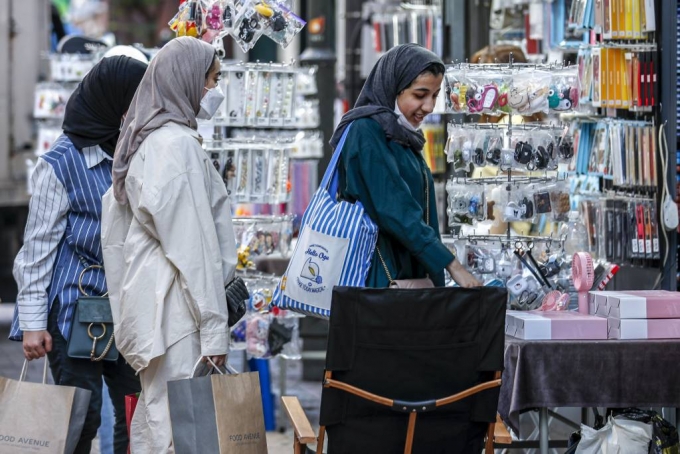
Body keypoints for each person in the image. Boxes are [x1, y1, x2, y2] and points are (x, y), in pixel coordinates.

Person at [101, 36, 237, 453]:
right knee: (179, 431)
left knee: (161, 420)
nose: (212, 91)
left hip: (158, 309)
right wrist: (214, 330)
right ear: (185, 80)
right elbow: (193, 247)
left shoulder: (148, 139)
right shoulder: (174, 146)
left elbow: (115, 241)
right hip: (180, 313)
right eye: (209, 80)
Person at [10, 55, 147, 454]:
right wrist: (34, 324)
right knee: (79, 418)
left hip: (128, 309)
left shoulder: (137, 151)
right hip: (73, 312)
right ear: (111, 100)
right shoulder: (61, 163)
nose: (137, 111)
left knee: (136, 414)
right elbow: (36, 250)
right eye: (132, 101)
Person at [330, 43, 481, 289]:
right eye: (420, 95)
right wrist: (451, 264)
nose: (429, 107)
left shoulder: (403, 137)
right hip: (378, 282)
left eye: (434, 95)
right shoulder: (366, 131)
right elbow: (395, 208)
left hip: (405, 282)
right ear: (394, 89)